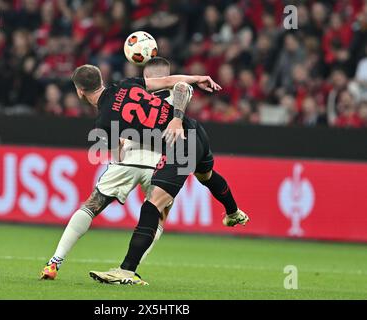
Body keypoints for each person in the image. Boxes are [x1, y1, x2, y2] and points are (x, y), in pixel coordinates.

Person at [71, 60, 249, 285]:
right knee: (206, 176)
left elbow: (118, 158)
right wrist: (197, 79)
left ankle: (126, 271)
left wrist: (125, 142)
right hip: (196, 131)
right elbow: (173, 83)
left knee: (151, 205)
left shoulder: (103, 122)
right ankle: (233, 212)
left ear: (80, 92)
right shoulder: (127, 84)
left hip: (182, 146)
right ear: (102, 80)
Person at [40, 58, 175, 280]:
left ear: (80, 91)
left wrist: (120, 146)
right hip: (160, 161)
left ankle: (54, 262)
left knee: (91, 206)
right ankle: (129, 271)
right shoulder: (169, 93)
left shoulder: (119, 100)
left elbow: (117, 153)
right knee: (158, 217)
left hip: (130, 157)